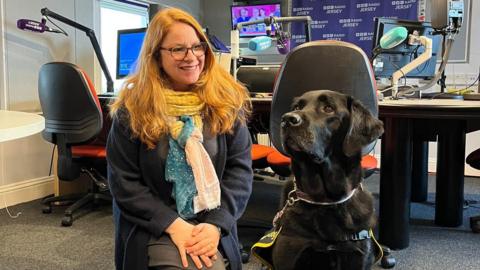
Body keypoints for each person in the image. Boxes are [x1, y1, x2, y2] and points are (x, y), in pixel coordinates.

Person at [106, 7, 253, 270]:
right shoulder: (133, 109)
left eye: (198, 47)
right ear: (156, 56)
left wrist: (215, 225)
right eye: (178, 49)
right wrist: (173, 226)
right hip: (155, 223)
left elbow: (239, 174)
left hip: (209, 221)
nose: (192, 57)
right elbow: (124, 183)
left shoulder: (226, 102)